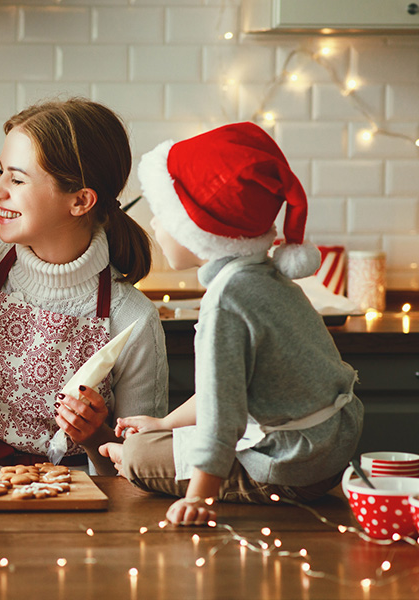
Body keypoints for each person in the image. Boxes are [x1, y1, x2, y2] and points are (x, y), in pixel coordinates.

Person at [99, 122, 363, 524]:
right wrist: (165, 424)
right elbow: (226, 390)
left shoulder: (226, 301)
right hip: (325, 448)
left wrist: (199, 498)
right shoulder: (267, 277)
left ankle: (136, 461)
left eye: (163, 214)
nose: (153, 225)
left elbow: (224, 415)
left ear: (200, 229)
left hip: (288, 466)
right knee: (157, 437)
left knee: (138, 454)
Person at [0, 99, 169, 475]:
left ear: (80, 200)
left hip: (70, 503)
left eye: (16, 179)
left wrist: (96, 436)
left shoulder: (133, 319)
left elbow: (139, 470)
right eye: (0, 173)